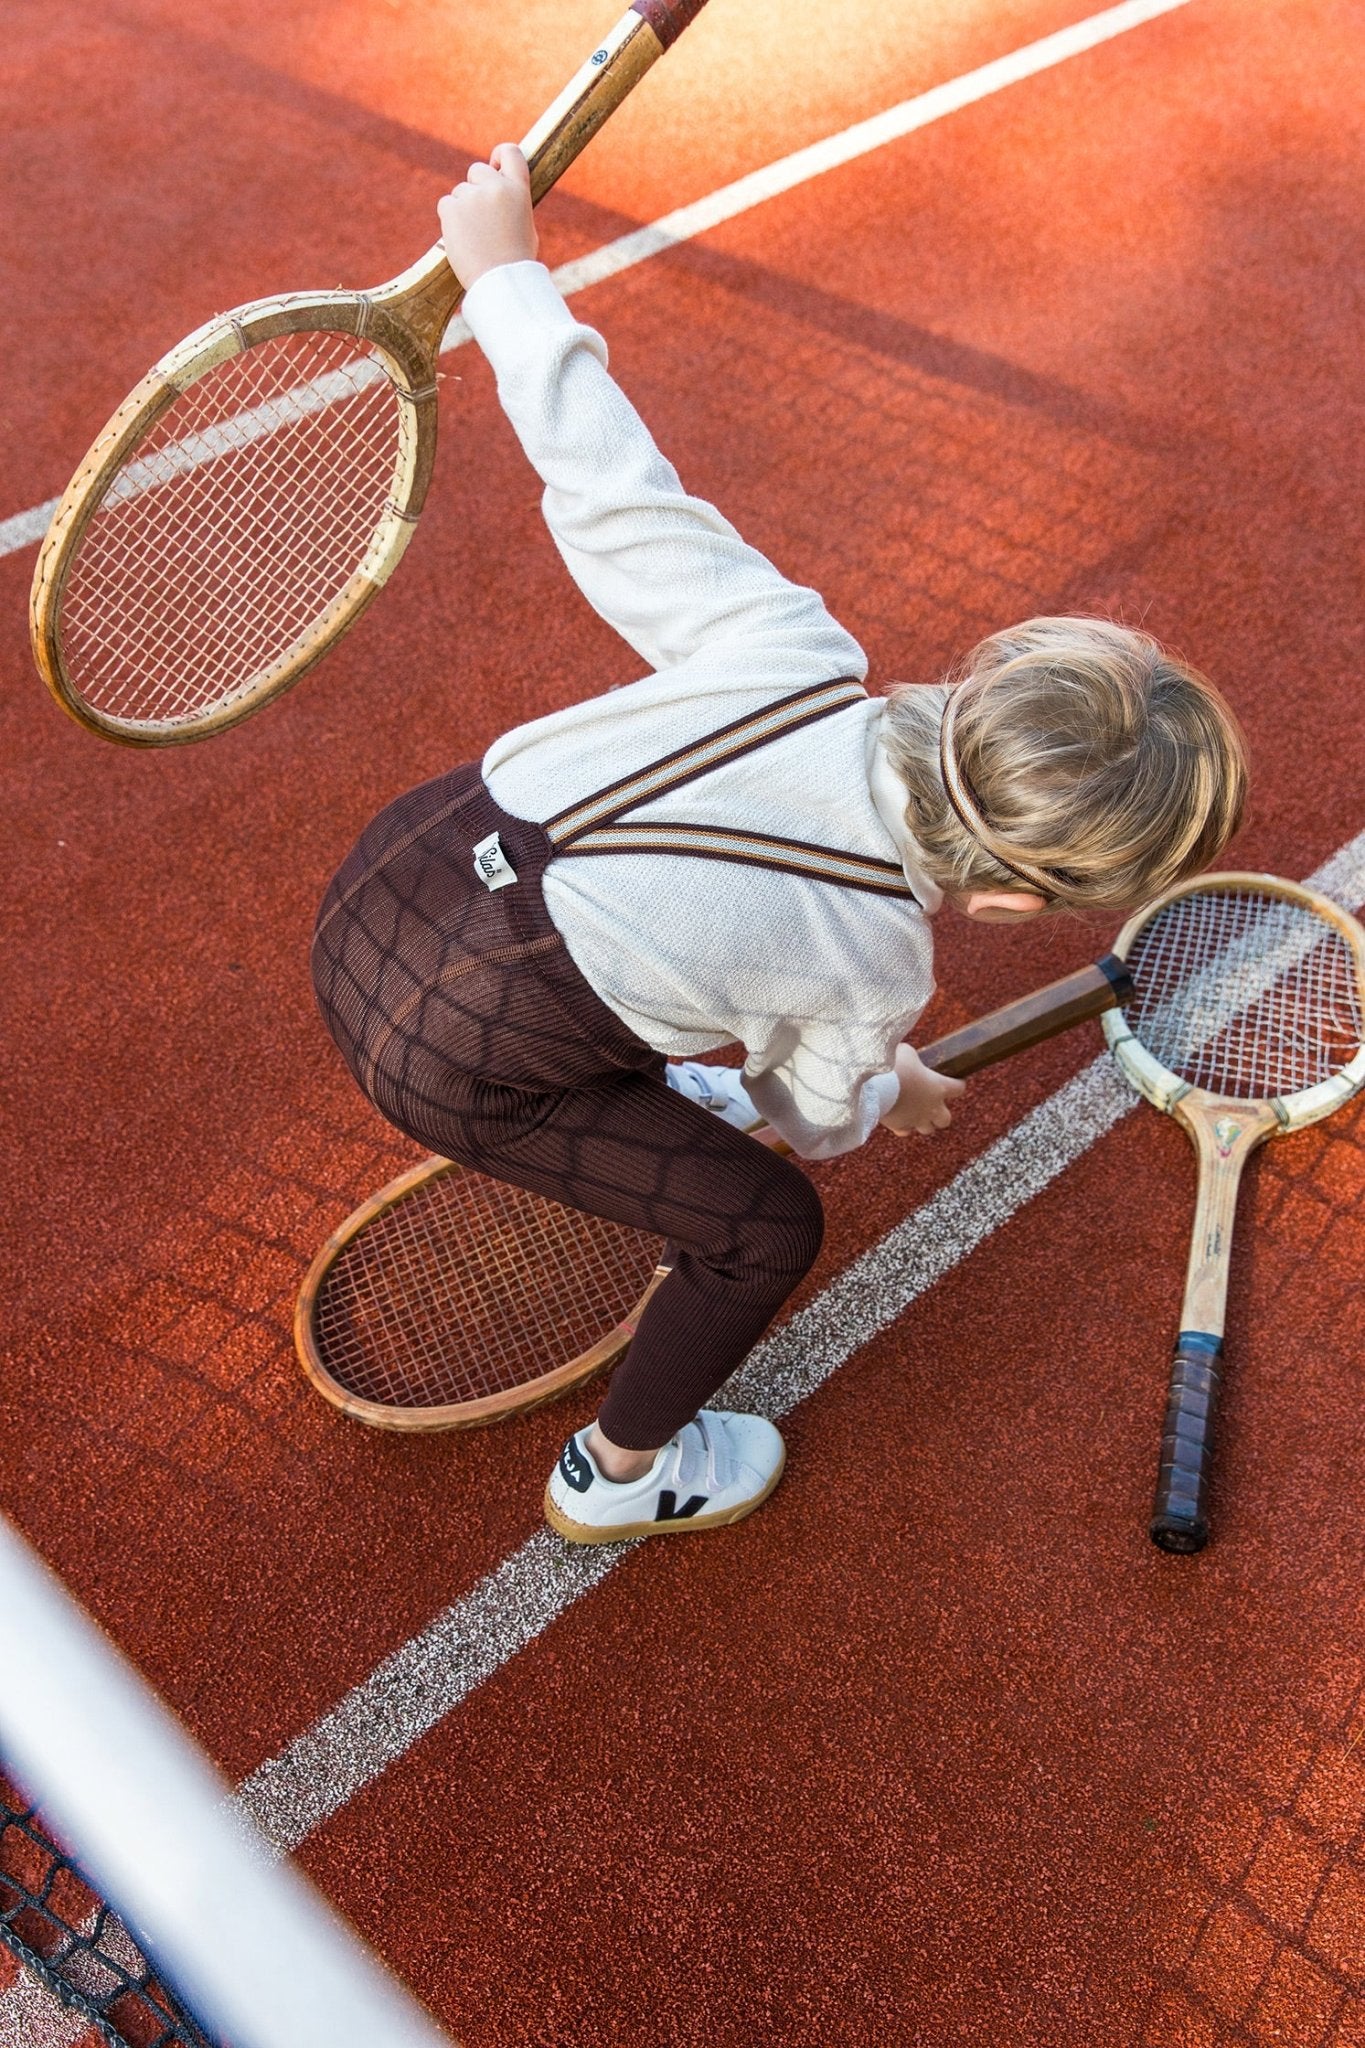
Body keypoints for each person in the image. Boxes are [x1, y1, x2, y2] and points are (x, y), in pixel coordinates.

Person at [312, 146, 1248, 1546]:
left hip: (378, 887)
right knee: (765, 1229)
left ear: (977, 692)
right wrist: (884, 1087)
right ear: (1004, 902)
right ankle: (619, 1476)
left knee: (673, 968)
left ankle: (650, 1071)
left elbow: (613, 492)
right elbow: (811, 1114)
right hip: (451, 1057)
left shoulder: (798, 648)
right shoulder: (875, 960)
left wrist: (506, 279)